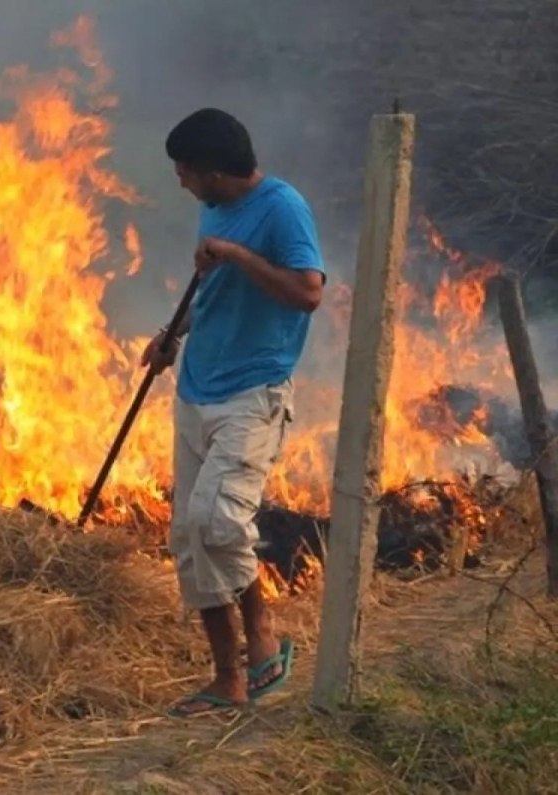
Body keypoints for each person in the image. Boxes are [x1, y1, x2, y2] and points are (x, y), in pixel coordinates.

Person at [141, 108, 325, 718]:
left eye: (186, 172)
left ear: (215, 172)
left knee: (218, 522)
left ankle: (265, 637)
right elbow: (215, 292)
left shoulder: (282, 209)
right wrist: (173, 335)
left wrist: (238, 255)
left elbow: (307, 293)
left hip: (253, 392)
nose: (181, 183)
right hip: (197, 389)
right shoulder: (215, 208)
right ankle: (229, 678)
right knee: (191, 539)